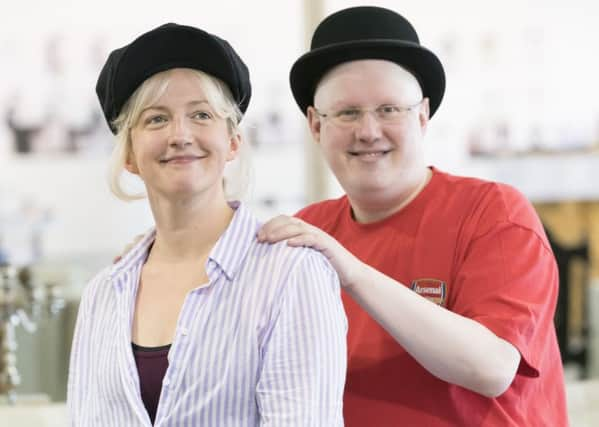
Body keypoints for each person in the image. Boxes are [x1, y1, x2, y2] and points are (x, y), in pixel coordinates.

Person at [257, 6, 569, 426]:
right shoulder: (310, 228)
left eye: (389, 110)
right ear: (316, 126)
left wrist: (351, 271)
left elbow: (491, 368)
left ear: (421, 116)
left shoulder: (493, 213)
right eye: (347, 113)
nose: (368, 131)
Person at [67, 23, 347, 426]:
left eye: (201, 115)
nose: (180, 135)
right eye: (156, 119)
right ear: (129, 153)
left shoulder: (291, 274)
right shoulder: (104, 294)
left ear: (233, 142)